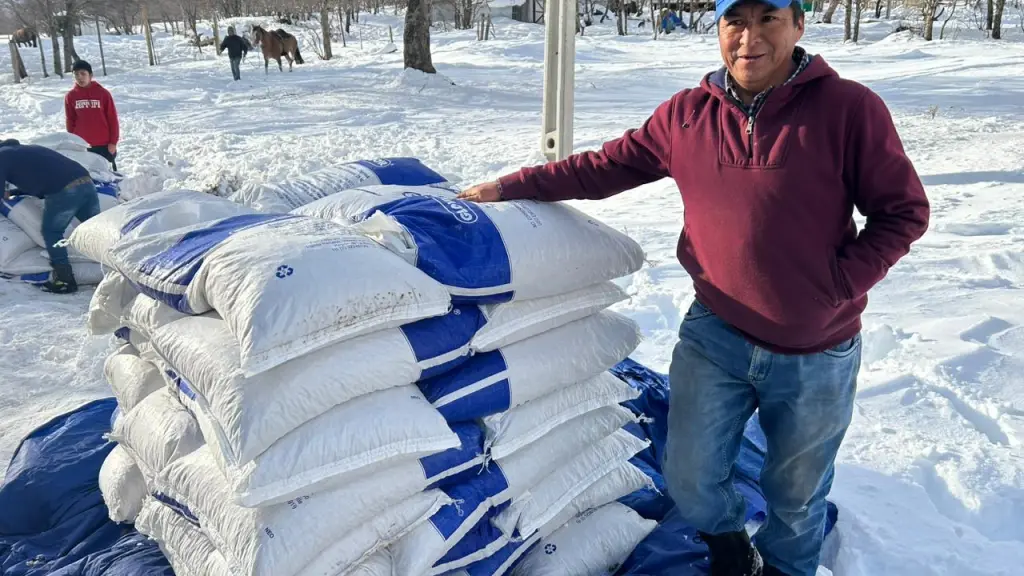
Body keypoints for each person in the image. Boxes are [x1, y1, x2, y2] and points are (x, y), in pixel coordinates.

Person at [457, 0, 930, 574]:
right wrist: (511, 186)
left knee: (797, 497)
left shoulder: (850, 109)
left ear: (799, 25)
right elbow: (604, 167)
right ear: (718, 28)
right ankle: (731, 548)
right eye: (735, 21)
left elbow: (903, 212)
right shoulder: (687, 116)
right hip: (717, 334)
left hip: (817, 350)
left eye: (768, 19)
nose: (749, 38)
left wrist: (839, 284)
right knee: (689, 474)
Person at [0, 139, 100, 294]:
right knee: (97, 230)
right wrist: (13, 193)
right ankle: (117, 267)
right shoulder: (26, 150)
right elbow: (39, 178)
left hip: (65, 191)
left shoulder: (1, 157)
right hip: (86, 183)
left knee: (52, 232)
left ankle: (65, 279)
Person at [64, 60, 120, 172]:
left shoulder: (103, 94)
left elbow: (112, 119)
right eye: (76, 74)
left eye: (83, 73)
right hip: (82, 145)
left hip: (103, 144)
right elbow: (70, 120)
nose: (80, 77)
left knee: (105, 174)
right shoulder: (71, 96)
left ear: (90, 75)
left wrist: (113, 142)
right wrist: (72, 141)